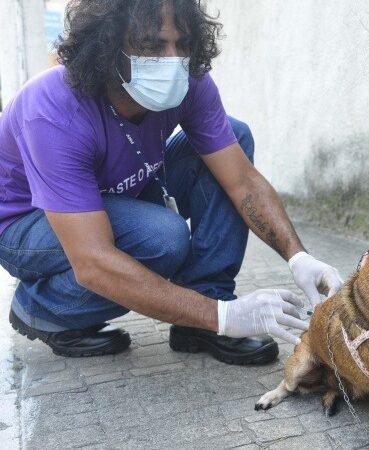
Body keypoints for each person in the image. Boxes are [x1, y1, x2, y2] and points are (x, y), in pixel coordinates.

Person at [0, 0, 342, 365]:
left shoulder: (189, 82)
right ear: (106, 45)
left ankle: (204, 305)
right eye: (152, 45)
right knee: (162, 238)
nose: (172, 59)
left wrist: (298, 257)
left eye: (182, 44)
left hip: (115, 195)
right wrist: (227, 318)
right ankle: (45, 307)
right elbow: (93, 260)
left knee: (235, 135)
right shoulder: (53, 110)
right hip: (27, 223)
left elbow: (242, 180)